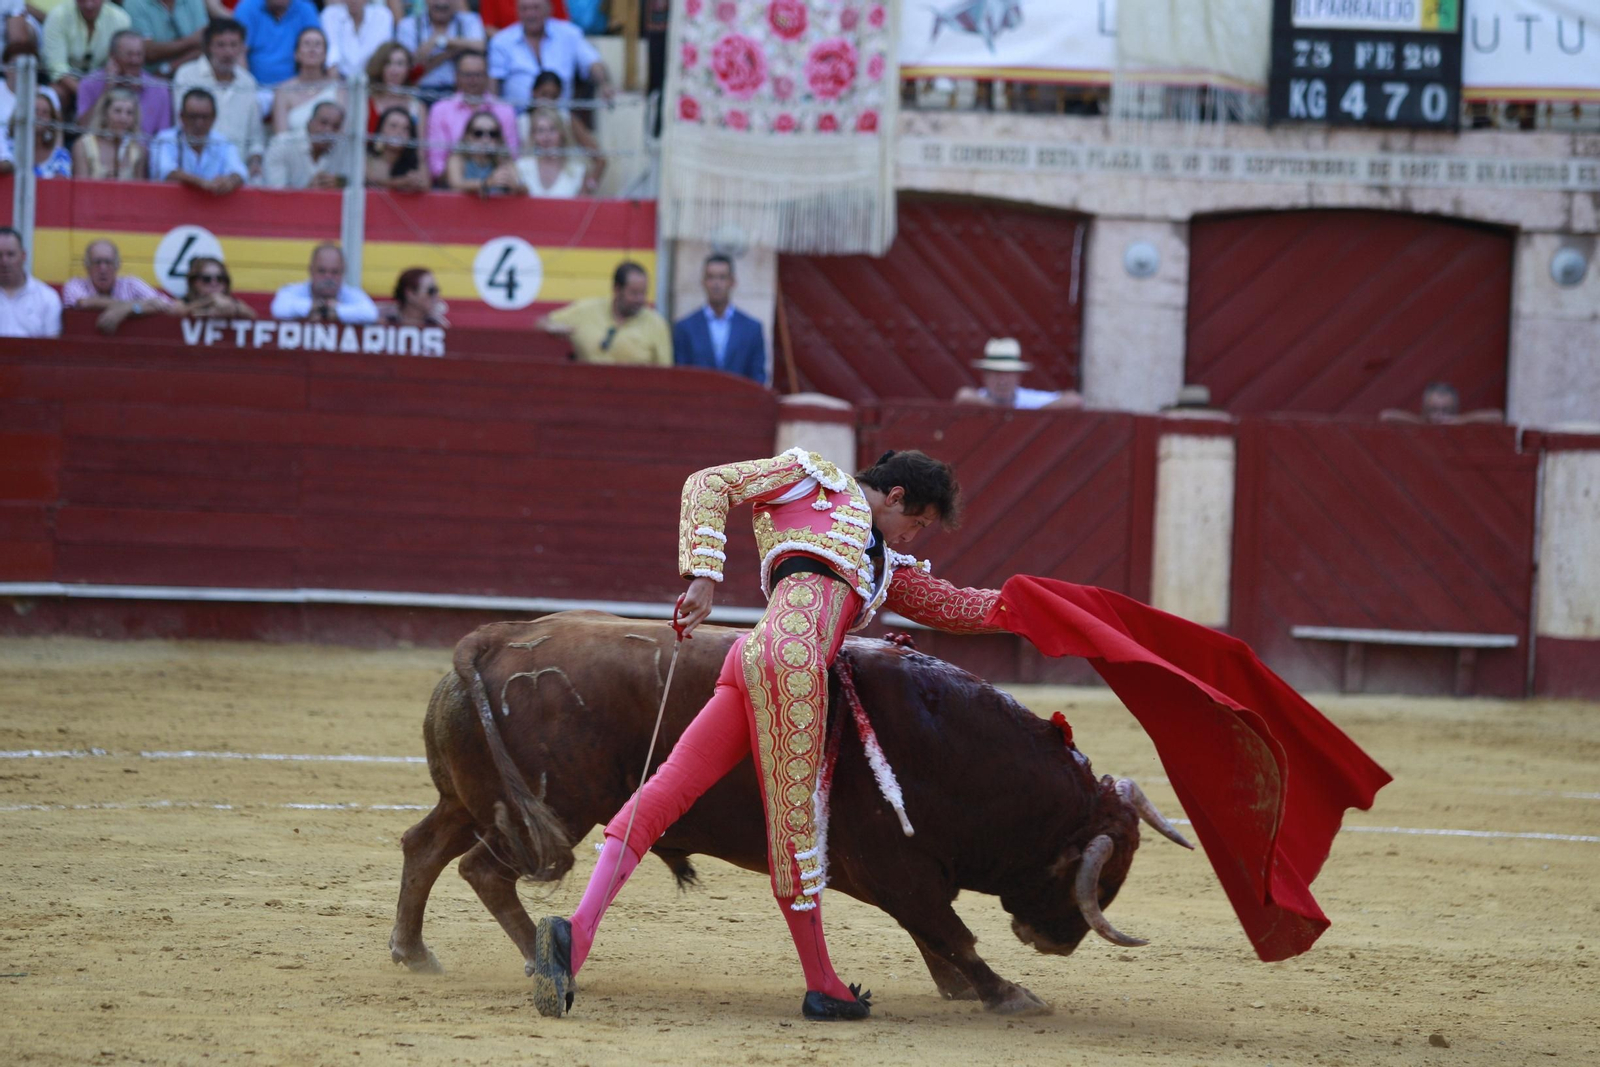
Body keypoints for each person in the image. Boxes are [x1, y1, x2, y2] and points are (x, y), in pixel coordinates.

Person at [528, 447, 1004, 1021]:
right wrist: (703, 578)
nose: (913, 538)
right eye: (918, 523)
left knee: (664, 793)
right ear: (896, 496)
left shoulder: (881, 562)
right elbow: (708, 482)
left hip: (752, 659)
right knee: (794, 829)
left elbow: (957, 607)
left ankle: (574, 934)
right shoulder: (812, 478)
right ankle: (823, 985)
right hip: (796, 667)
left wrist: (1043, 608)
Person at [172, 18, 268, 184]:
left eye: (233, 45)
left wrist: (254, 162)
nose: (228, 52)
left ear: (242, 47)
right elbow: (181, 125)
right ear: (208, 47)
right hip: (194, 172)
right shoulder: (186, 75)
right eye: (221, 45)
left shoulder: (248, 82)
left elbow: (255, 137)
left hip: (237, 176)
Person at [538, 260, 671, 366]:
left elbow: (665, 372)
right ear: (616, 289)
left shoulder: (656, 324)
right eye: (634, 293)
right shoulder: (586, 311)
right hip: (587, 392)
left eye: (643, 293)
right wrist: (552, 328)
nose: (640, 300)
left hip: (635, 395)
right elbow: (542, 322)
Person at [487, 0, 610, 111]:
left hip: (562, 118)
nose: (530, 14)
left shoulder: (569, 34)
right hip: (518, 120)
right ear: (517, 11)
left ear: (549, 9)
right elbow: (493, 85)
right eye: (524, 9)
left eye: (536, 8)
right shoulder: (501, 41)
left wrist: (605, 85)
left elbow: (593, 62)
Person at [672, 253, 767, 385]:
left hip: (739, 403)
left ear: (732, 282)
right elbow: (680, 377)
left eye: (722, 277)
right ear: (703, 282)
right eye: (711, 277)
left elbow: (758, 377)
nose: (716, 284)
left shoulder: (752, 329)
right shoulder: (685, 328)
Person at [423, 50, 516, 178]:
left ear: (487, 76)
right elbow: (436, 164)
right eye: (467, 75)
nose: (473, 80)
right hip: (451, 189)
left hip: (497, 189)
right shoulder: (440, 110)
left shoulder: (505, 111)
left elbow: (512, 158)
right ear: (457, 76)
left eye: (478, 74)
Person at [72, 30, 173, 138]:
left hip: (144, 153)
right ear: (112, 56)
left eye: (139, 54)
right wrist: (108, 88)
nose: (135, 61)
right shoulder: (90, 83)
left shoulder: (159, 89)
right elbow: (83, 128)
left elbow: (163, 139)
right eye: (129, 55)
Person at [60, 238, 174, 333]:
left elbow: (163, 304)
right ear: (87, 266)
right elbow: (85, 302)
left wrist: (128, 308)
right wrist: (126, 307)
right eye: (97, 262)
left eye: (108, 262)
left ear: (117, 265)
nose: (103, 268)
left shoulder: (131, 284)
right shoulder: (74, 285)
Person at [151, 88, 248, 194]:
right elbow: (166, 171)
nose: (199, 124)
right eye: (193, 117)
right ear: (181, 117)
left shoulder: (222, 142)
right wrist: (203, 183)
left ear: (214, 118)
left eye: (205, 117)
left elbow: (240, 172)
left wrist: (229, 182)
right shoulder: (165, 139)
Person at [521, 70, 601, 192]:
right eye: (544, 94)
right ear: (534, 92)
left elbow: (600, 159)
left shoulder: (566, 119)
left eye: (554, 96)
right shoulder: (521, 121)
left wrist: (588, 187)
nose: (548, 101)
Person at [954, 337, 1083, 410]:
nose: (1002, 381)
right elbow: (964, 396)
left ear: (1018, 377)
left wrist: (1028, 415)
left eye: (1008, 374)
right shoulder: (979, 397)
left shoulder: (1028, 399)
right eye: (996, 373)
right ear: (985, 377)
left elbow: (1074, 400)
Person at [40, 0, 133, 101]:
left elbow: (120, 63)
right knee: (57, 92)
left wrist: (107, 86)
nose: (89, 4)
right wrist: (86, 94)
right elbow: (57, 67)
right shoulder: (58, 16)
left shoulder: (121, 19)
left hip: (103, 80)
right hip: (67, 83)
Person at [395, 0, 485, 101]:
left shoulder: (469, 20)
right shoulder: (409, 24)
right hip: (420, 91)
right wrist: (451, 51)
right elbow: (409, 64)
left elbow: (481, 46)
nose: (442, 3)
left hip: (460, 92)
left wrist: (441, 40)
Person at [270, 242, 378, 323]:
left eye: (334, 272)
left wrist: (333, 311)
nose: (328, 277)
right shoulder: (292, 291)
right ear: (311, 270)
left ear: (343, 272)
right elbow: (279, 309)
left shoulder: (352, 294)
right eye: (322, 271)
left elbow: (370, 313)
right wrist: (320, 307)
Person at [270, 26, 345, 138]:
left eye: (317, 44)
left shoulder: (339, 88)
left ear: (325, 55)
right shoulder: (283, 91)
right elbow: (281, 137)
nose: (312, 49)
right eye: (306, 44)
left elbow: (342, 132)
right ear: (296, 54)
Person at [233, 0, 321, 91]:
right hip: (256, 89)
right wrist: (247, 89)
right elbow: (239, 53)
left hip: (297, 89)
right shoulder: (247, 8)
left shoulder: (306, 9)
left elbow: (318, 47)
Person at [263, 98, 348, 188]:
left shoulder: (343, 147)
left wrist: (340, 182)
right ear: (309, 122)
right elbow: (275, 193)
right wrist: (308, 191)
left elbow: (357, 180)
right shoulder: (281, 145)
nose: (328, 131)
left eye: (335, 126)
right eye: (323, 123)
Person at [0, 227, 64, 338]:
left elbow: (52, 347)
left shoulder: (47, 297)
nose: (4, 262)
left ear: (23, 256)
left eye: (10, 254)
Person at [71, 87, 148, 179]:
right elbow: (80, 189)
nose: (123, 118)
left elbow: (140, 190)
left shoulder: (138, 150)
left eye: (129, 113)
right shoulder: (83, 146)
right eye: (117, 111)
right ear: (104, 113)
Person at [442, 110, 522, 195]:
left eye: (492, 134)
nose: (486, 139)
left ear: (498, 138)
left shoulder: (503, 160)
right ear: (467, 136)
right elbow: (455, 185)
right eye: (478, 133)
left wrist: (515, 187)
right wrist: (486, 183)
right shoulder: (457, 159)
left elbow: (522, 188)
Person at [122, 0, 208, 77]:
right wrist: (191, 41)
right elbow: (148, 51)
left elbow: (204, 45)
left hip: (194, 74)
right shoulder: (135, 3)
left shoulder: (194, 1)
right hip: (150, 79)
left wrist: (169, 67)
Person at [515, 106, 584, 197]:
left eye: (552, 129)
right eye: (540, 130)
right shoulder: (521, 168)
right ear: (533, 135)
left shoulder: (578, 170)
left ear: (562, 133)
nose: (546, 137)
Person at [321, 0, 393, 82]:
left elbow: (382, 51)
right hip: (339, 80)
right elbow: (332, 50)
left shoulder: (383, 15)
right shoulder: (329, 14)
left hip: (374, 80)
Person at [8, 89, 74, 178]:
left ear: (52, 120)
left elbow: (62, 187)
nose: (39, 116)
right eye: (35, 111)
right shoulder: (7, 151)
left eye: (45, 113)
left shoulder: (60, 156)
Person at [364, 42, 426, 133]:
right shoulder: (365, 103)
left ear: (408, 69)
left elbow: (420, 146)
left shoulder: (417, 108)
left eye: (400, 64)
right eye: (388, 63)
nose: (394, 71)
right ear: (379, 67)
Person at [1379, 382, 1504, 426]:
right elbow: (1386, 416)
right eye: (1433, 409)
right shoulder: (1420, 422)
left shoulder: (1460, 421)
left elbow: (1497, 416)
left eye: (1446, 410)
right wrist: (1422, 422)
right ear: (1425, 409)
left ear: (1454, 410)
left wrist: (1461, 420)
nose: (1439, 415)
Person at [366, 105, 429, 191]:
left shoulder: (416, 162)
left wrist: (416, 181)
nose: (399, 132)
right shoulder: (368, 159)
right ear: (380, 130)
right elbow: (371, 180)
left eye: (406, 128)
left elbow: (426, 184)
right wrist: (401, 182)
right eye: (393, 126)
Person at [174, 255, 256, 318]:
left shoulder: (233, 302)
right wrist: (210, 300)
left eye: (220, 279)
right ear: (194, 282)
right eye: (207, 279)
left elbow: (253, 315)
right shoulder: (184, 302)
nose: (214, 283)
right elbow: (176, 311)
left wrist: (234, 308)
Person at [381, 266, 448, 326]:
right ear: (410, 294)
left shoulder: (437, 324)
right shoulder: (380, 316)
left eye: (436, 290)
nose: (436, 295)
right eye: (431, 291)